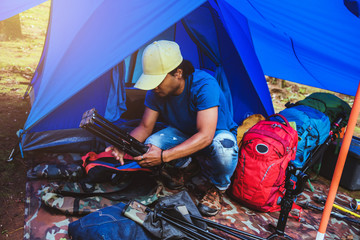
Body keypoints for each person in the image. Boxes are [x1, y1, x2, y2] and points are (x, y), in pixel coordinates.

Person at [106, 40, 238, 216]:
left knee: (225, 149)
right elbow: (145, 127)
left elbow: (206, 135)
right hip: (182, 132)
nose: (154, 86)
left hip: (215, 134)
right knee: (152, 143)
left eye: (158, 80)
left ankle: (218, 187)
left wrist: (163, 157)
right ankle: (189, 167)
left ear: (178, 73)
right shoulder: (156, 92)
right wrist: (123, 146)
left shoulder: (204, 85)